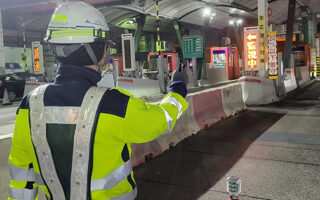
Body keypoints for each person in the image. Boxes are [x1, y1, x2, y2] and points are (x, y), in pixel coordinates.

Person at [8, 2, 188, 200]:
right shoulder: (115, 104)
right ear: (99, 51)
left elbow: (22, 178)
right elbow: (161, 120)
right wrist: (178, 89)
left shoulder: (29, 105)